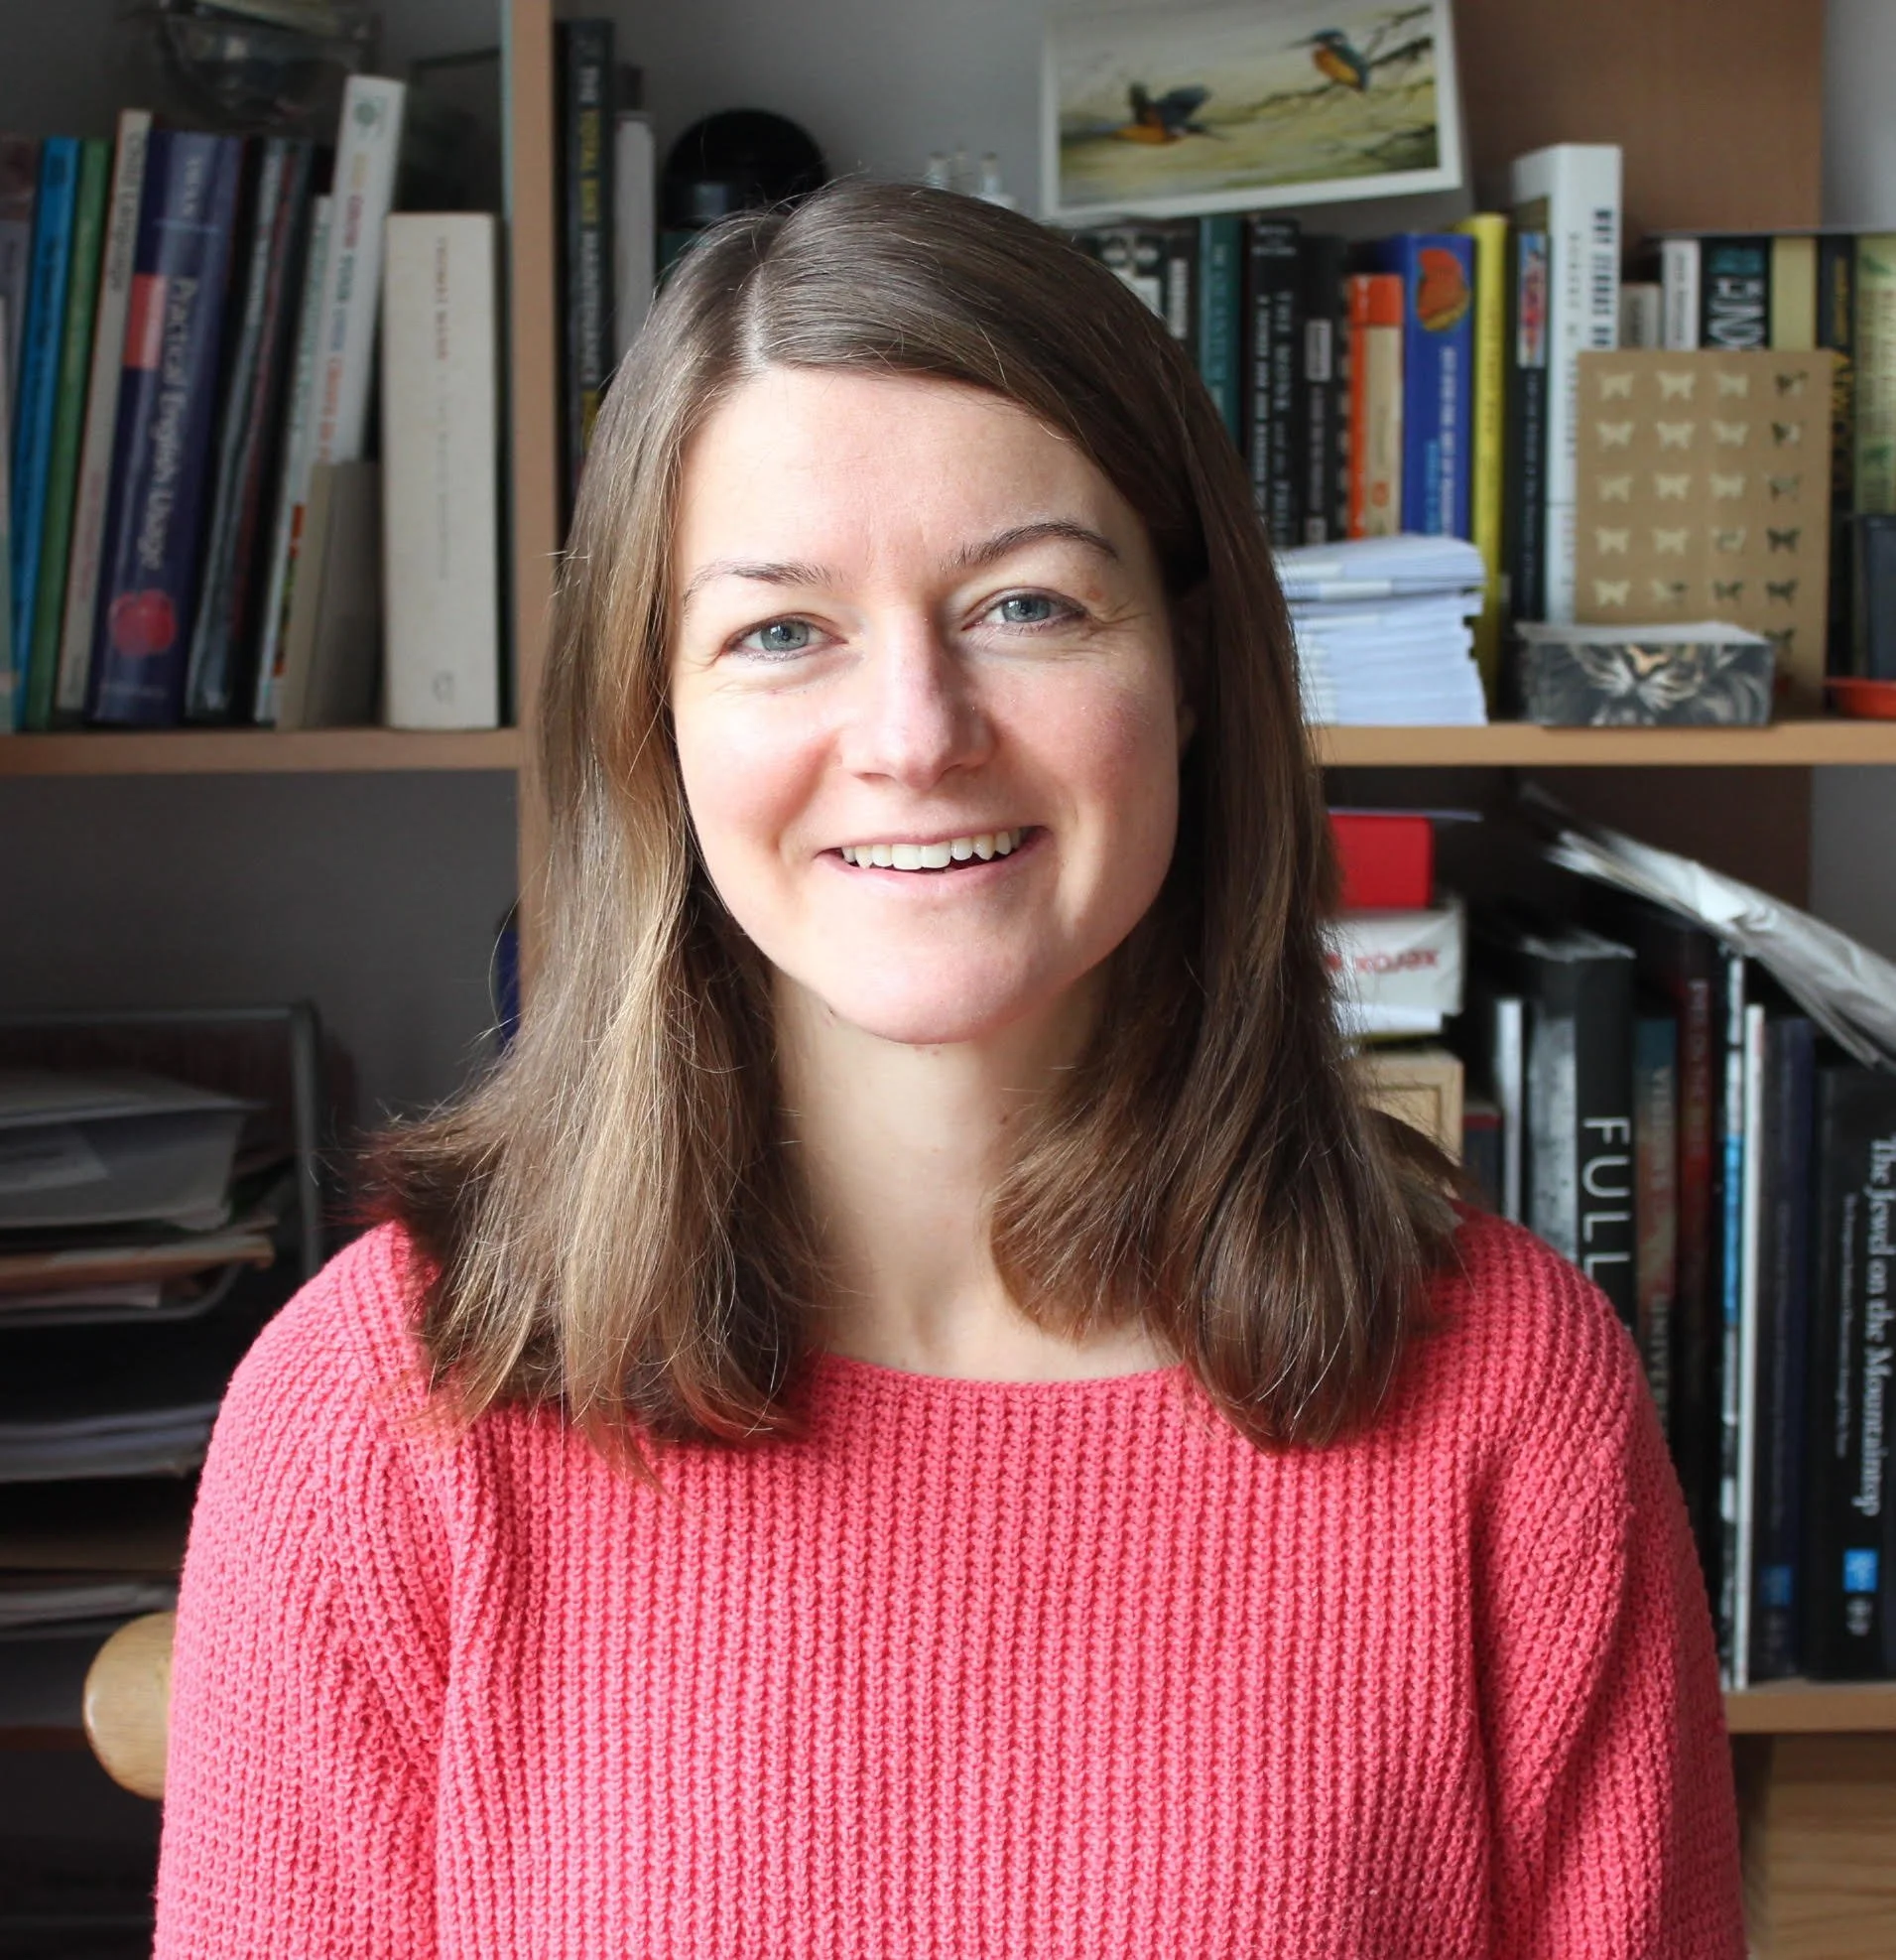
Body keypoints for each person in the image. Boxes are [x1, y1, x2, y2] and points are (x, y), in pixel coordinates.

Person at [154, 183, 1743, 1957]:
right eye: (779, 630)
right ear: (649, 721)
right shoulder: (381, 1414)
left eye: (1030, 607)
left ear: (1197, 670)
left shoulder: (1512, 1404)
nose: (914, 733)